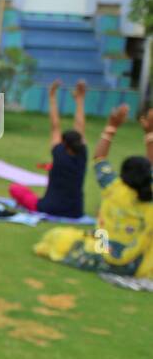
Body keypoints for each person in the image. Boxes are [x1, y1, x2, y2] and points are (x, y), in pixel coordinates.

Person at [34, 105, 153, 278]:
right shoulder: (148, 196)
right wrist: (149, 133)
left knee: (60, 237)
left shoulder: (113, 187)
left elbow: (99, 159)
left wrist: (111, 126)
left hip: (102, 254)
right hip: (134, 264)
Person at [8, 80, 88, 218]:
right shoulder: (83, 155)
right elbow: (80, 126)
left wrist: (52, 96)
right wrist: (80, 100)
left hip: (49, 208)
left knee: (15, 189)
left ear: (64, 143)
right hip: (76, 212)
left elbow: (55, 125)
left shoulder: (59, 153)